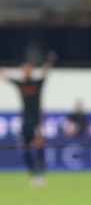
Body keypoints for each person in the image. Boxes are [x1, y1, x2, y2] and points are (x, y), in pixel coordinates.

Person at [0, 52, 57, 187]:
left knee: (39, 145)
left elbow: (45, 72)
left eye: (28, 68)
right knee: (25, 147)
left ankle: (40, 174)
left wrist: (50, 62)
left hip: (36, 118)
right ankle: (33, 174)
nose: (26, 71)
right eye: (24, 68)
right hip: (25, 120)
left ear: (31, 70)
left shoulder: (37, 83)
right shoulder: (21, 84)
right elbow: (4, 77)